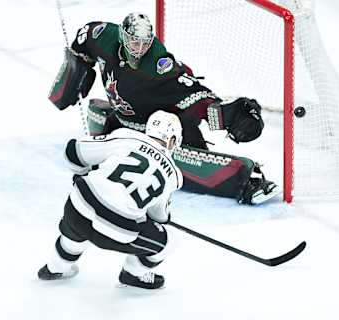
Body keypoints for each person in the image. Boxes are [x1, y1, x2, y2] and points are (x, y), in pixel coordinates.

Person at [48, 12, 280, 205]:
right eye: (133, 41)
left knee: (170, 132)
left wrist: (229, 114)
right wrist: (77, 70)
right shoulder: (102, 36)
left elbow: (194, 93)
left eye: (144, 42)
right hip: (120, 121)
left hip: (158, 130)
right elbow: (83, 40)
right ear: (122, 36)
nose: (139, 48)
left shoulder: (158, 66)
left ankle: (246, 184)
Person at [38, 110, 183, 289]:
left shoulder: (128, 137)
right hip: (117, 232)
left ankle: (55, 268)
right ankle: (132, 274)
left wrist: (85, 173)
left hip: (78, 207)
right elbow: (159, 217)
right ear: (173, 141)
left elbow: (72, 153)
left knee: (76, 225)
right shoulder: (174, 176)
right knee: (170, 242)